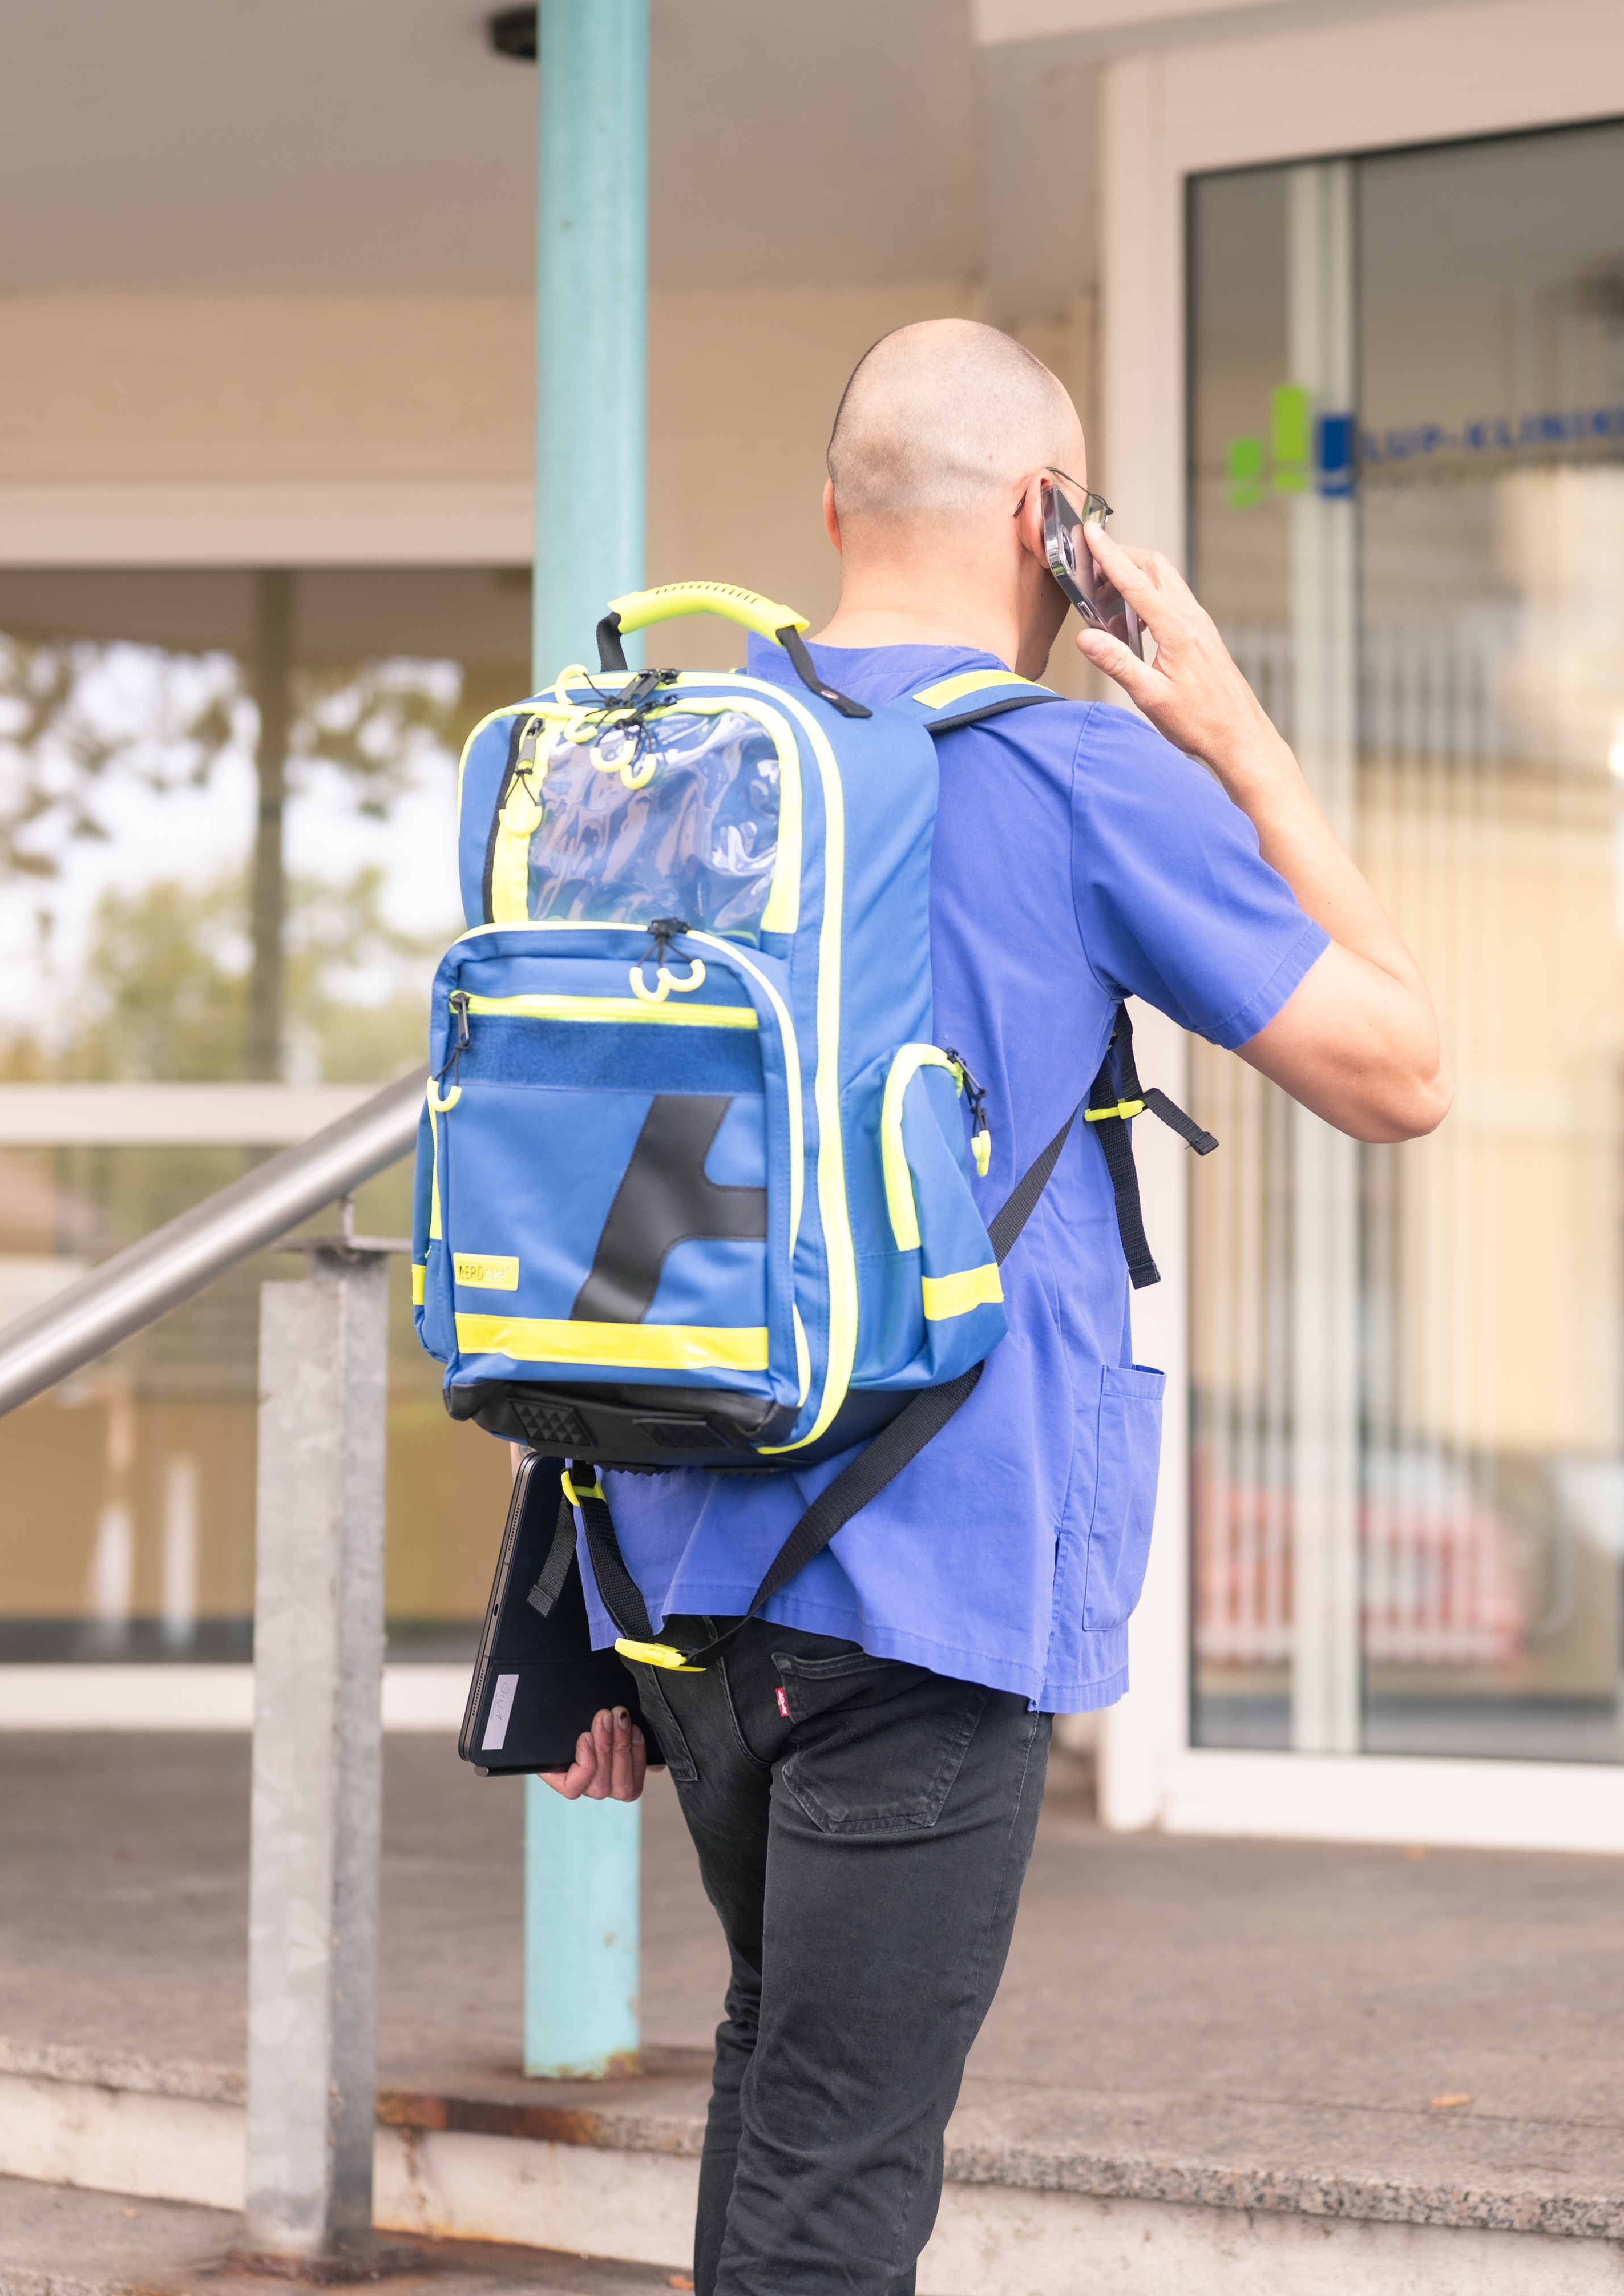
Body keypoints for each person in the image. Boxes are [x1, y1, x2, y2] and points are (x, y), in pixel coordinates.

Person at [540, 317, 1448, 2294]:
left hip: (683, 1573)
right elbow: (1402, 1070)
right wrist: (1235, 733)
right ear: (1059, 525)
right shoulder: (1075, 772)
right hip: (929, 1589)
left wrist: (584, 1625)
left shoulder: (671, 764)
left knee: (783, 2082)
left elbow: (615, 1192)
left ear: (831, 513)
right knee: (841, 2172)